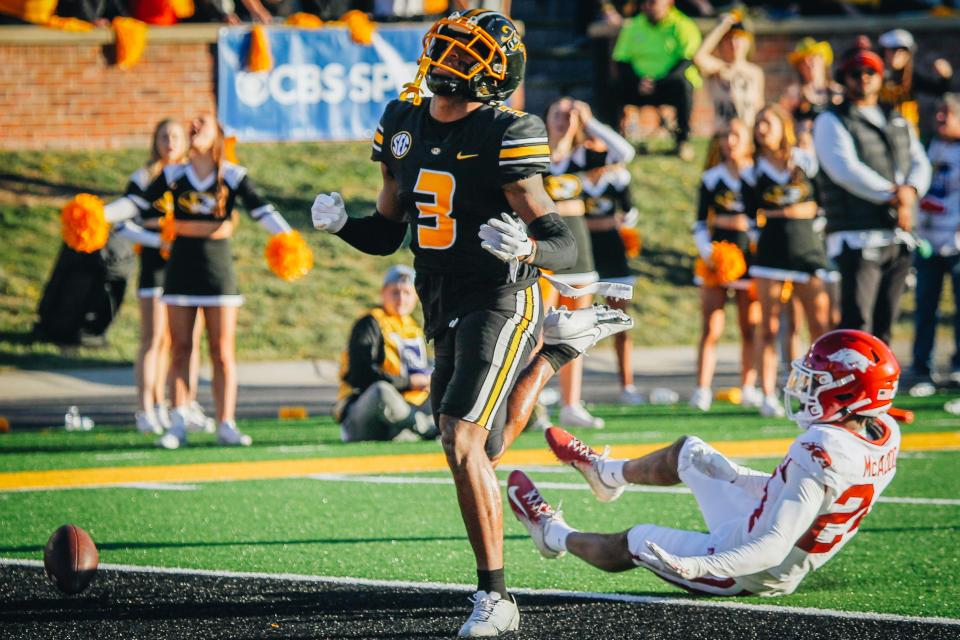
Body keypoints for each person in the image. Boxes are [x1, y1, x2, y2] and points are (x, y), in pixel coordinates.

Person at [309, 9, 586, 636]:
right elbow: (387, 233)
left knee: (461, 438)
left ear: (490, 75)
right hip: (437, 296)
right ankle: (553, 358)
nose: (447, 62)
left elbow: (561, 243)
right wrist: (343, 225)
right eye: (448, 50)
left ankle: (497, 598)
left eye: (465, 56)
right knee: (479, 448)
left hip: (498, 294)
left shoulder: (505, 132)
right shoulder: (401, 122)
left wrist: (527, 251)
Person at [510, 329, 902, 598]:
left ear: (848, 392)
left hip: (753, 569)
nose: (804, 388)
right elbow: (806, 496)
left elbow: (772, 547)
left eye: (818, 381)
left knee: (636, 541)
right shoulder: (882, 432)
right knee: (689, 452)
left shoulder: (821, 447)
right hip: (765, 527)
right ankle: (605, 475)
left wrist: (697, 565)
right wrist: (737, 476)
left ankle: (552, 535)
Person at [105, 112, 298, 449]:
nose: (192, 126)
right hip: (180, 271)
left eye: (202, 123)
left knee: (223, 352)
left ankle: (226, 423)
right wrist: (98, 214)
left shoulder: (234, 176)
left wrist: (289, 239)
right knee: (180, 349)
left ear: (218, 135)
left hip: (218, 272)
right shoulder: (174, 174)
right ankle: (178, 423)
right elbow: (135, 204)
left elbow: (262, 211)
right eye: (191, 123)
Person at [813, 41, 932, 345]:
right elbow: (845, 170)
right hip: (858, 234)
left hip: (897, 235)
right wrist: (896, 195)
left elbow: (920, 162)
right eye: (855, 72)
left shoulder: (896, 118)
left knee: (885, 325)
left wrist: (911, 191)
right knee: (857, 325)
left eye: (871, 71)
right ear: (844, 77)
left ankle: (880, 392)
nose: (863, 77)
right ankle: (851, 392)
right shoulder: (832, 119)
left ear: (881, 77)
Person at [543, 97, 639, 422]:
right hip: (544, 248)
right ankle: (534, 404)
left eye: (569, 115)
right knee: (537, 331)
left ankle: (571, 404)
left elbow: (626, 153)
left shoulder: (582, 157)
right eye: (558, 113)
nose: (563, 120)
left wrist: (590, 120)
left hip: (579, 249)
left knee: (575, 330)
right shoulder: (536, 158)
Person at [111, 119, 208, 436]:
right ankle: (147, 408)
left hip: (189, 264)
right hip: (155, 265)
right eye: (164, 136)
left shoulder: (192, 176)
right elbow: (122, 224)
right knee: (154, 338)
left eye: (176, 136)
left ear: (185, 141)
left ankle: (183, 403)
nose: (170, 142)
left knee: (188, 340)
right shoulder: (143, 178)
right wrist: (158, 239)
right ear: (155, 141)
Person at [747, 105, 831, 418]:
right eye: (757, 124)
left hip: (807, 249)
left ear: (783, 126)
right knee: (767, 327)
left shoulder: (804, 160)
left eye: (766, 122)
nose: (760, 129)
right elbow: (749, 213)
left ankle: (818, 392)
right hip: (770, 252)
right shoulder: (753, 167)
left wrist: (783, 214)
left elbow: (821, 203)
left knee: (816, 325)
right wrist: (788, 213)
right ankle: (768, 393)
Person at [690, 118, 761, 412]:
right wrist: (709, 254)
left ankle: (749, 387)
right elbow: (699, 223)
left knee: (750, 328)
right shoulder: (712, 178)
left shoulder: (758, 177)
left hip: (751, 261)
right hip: (715, 263)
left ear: (747, 140)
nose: (729, 141)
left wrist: (750, 231)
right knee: (710, 326)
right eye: (724, 136)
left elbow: (760, 219)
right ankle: (702, 389)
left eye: (736, 135)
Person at [335, 265, 438, 442]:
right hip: (366, 414)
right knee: (381, 391)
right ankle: (428, 428)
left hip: (402, 413)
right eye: (395, 292)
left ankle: (421, 427)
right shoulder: (370, 323)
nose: (401, 299)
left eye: (407, 293)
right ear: (383, 293)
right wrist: (409, 382)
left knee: (445, 384)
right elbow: (361, 375)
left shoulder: (413, 327)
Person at [910, 94, 960, 392]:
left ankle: (957, 366)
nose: (940, 119)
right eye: (939, 113)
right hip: (927, 238)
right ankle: (921, 367)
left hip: (955, 241)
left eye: (948, 114)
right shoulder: (927, 144)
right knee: (925, 305)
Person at [611, 0, 702, 161]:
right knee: (614, 86)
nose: (648, 6)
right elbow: (621, 60)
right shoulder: (633, 25)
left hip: (669, 84)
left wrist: (659, 81)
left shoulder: (683, 24)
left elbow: (686, 61)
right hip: (638, 85)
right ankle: (614, 141)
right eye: (645, 2)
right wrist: (639, 81)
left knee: (684, 86)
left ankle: (683, 142)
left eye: (653, 2)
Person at [693, 10, 764, 132]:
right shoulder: (718, 68)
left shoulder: (755, 72)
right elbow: (698, 57)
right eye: (729, 38)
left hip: (748, 134)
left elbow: (759, 105)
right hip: (723, 133)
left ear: (748, 42)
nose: (733, 43)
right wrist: (721, 28)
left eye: (739, 38)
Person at [877, 29, 953, 133]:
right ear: (884, 52)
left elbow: (941, 92)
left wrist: (945, 78)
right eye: (892, 51)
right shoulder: (876, 76)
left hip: (908, 133)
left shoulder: (912, 78)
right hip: (881, 131)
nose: (897, 55)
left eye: (902, 51)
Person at [781, 37, 842, 139]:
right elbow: (783, 123)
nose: (809, 64)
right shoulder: (793, 94)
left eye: (813, 58)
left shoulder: (837, 92)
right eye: (803, 62)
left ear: (823, 61)